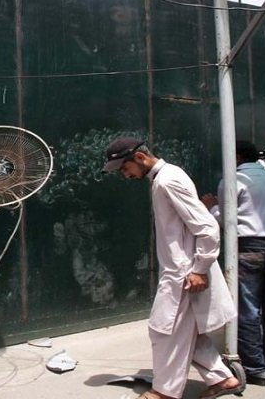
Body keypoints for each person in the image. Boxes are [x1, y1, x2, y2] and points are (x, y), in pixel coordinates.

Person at [102, 137, 241, 399]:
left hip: (184, 273)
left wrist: (199, 269)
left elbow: (208, 227)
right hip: (182, 270)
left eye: (124, 168)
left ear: (140, 158)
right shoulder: (165, 177)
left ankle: (164, 392)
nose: (125, 174)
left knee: (163, 330)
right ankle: (223, 379)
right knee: (188, 334)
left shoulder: (167, 181)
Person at [201, 140, 265, 386]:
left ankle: (256, 368)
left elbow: (226, 220)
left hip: (248, 247)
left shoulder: (232, 182)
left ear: (238, 157)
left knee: (248, 310)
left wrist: (211, 207)